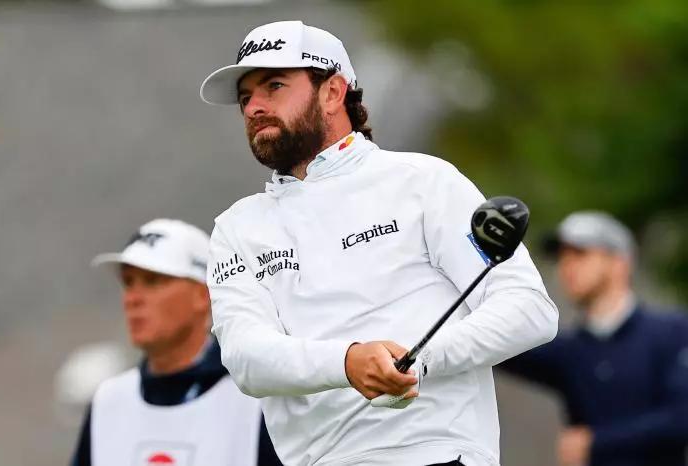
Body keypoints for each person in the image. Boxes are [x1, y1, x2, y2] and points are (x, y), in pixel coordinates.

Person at [199, 20, 558, 466]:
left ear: (333, 92)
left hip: (437, 454)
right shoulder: (237, 227)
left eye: (274, 86)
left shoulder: (424, 181)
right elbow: (246, 357)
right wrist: (349, 362)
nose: (254, 107)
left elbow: (530, 310)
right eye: (245, 97)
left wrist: (419, 359)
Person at [70, 218, 283, 466]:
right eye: (128, 282)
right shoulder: (107, 402)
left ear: (203, 295)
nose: (132, 298)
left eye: (152, 281)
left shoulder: (258, 400)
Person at [500, 211, 688, 466]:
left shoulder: (673, 331)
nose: (567, 266)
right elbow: (497, 345)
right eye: (562, 257)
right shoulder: (570, 351)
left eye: (580, 253)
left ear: (620, 262)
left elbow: (680, 419)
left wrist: (596, 443)